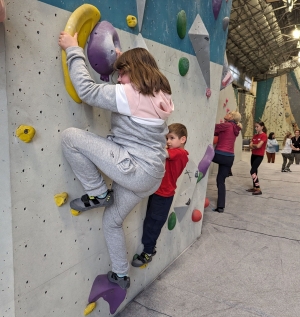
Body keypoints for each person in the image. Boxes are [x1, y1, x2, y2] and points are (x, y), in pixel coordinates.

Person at [58, 32, 174, 289]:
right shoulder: (162, 94)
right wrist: (124, 62)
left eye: (122, 73)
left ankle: (98, 193)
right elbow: (130, 93)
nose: (119, 79)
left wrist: (73, 50)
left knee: (70, 138)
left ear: (135, 72)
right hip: (152, 176)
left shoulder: (130, 95)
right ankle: (121, 276)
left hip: (134, 168)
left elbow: (87, 91)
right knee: (112, 221)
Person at [131, 123, 189, 267]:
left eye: (172, 138)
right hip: (157, 192)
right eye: (167, 138)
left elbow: (164, 153)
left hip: (164, 196)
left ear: (182, 140)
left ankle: (148, 252)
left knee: (153, 224)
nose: (168, 141)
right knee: (150, 221)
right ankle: (150, 248)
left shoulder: (181, 153)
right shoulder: (174, 151)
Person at [212, 111, 242, 213]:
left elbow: (211, 127)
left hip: (219, 155)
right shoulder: (235, 128)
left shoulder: (226, 125)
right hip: (230, 158)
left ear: (231, 117)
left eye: (229, 113)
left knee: (204, 156)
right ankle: (220, 207)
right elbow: (218, 132)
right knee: (221, 181)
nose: (226, 114)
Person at [246, 122, 267, 195]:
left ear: (262, 127)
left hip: (259, 156)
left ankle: (258, 188)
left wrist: (254, 145)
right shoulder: (255, 136)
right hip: (253, 155)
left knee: (252, 171)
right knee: (255, 171)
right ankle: (255, 187)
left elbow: (258, 146)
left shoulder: (264, 135)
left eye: (257, 126)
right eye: (255, 127)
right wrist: (255, 145)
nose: (256, 128)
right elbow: (250, 145)